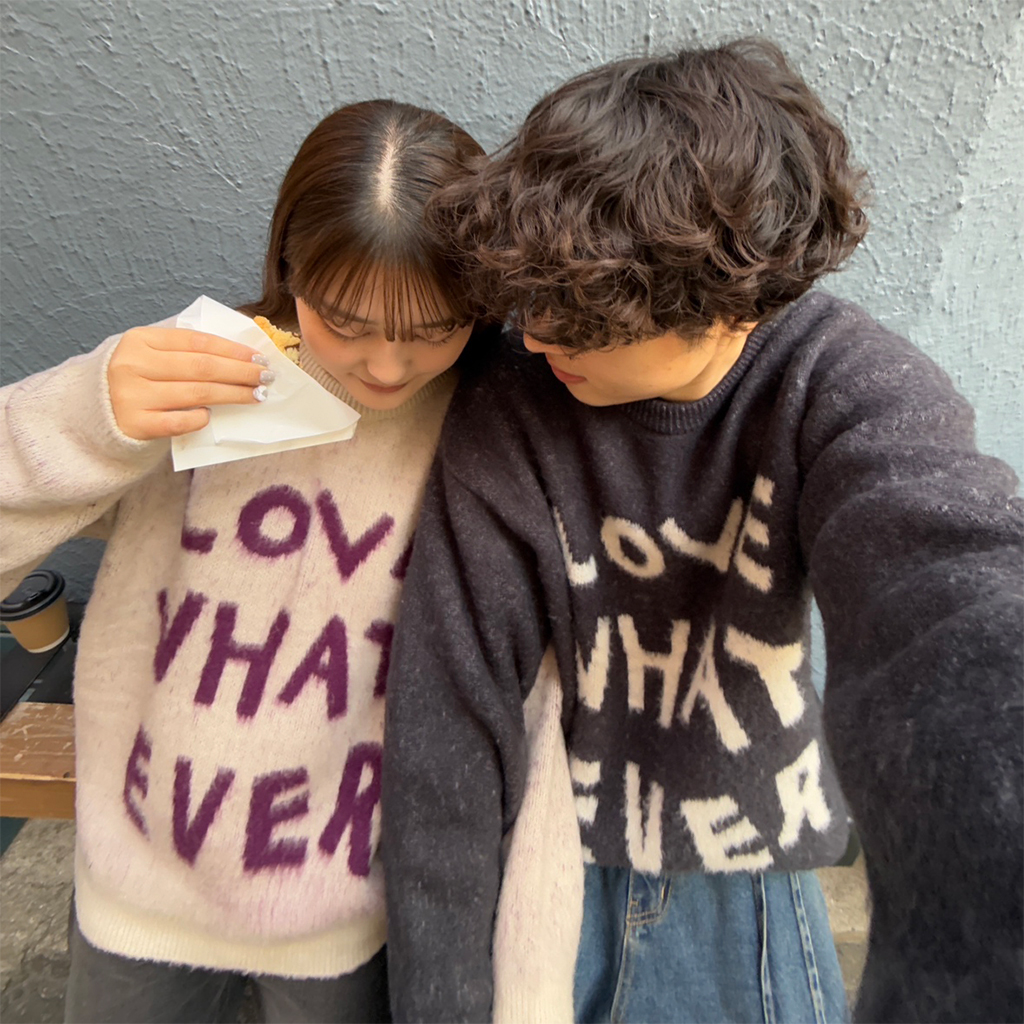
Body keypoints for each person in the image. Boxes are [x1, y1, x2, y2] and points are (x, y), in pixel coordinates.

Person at [380, 39, 1024, 1024]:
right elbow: (448, 714)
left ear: (726, 305)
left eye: (585, 315)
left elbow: (950, 604)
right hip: (544, 862)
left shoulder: (845, 387)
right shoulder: (512, 397)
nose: (537, 334)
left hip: (746, 875)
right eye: (537, 299)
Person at [0, 98, 490, 1023]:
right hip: (140, 893)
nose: (387, 367)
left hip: (350, 911)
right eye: (345, 320)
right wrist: (84, 414)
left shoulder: (489, 427)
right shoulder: (199, 378)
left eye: (435, 327)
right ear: (289, 271)